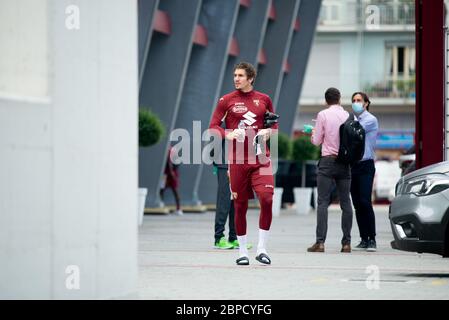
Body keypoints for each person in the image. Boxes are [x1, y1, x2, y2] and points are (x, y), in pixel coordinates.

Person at [209, 62, 277, 265]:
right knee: (240, 206)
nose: (236, 78)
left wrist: (268, 132)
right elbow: (213, 126)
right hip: (237, 161)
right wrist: (228, 133)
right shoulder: (226, 101)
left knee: (266, 199)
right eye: (235, 75)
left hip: (261, 159)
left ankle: (262, 249)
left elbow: (274, 124)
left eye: (240, 75)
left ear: (250, 78)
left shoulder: (264, 99)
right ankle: (242, 252)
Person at [307, 87, 353, 253]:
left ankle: (320, 243)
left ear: (326, 101)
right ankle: (346, 243)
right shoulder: (348, 115)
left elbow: (317, 141)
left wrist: (313, 133)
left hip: (327, 162)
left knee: (322, 202)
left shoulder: (323, 115)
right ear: (340, 99)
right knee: (346, 202)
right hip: (345, 162)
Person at [350, 92, 379, 252]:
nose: (356, 103)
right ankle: (363, 238)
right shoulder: (352, 120)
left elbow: (354, 132)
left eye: (359, 100)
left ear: (366, 103)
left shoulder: (370, 120)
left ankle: (372, 239)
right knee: (357, 204)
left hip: (366, 164)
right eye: (354, 100)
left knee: (365, 201)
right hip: (353, 165)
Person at [160, 146, 183, 215]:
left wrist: (171, 172)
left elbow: (169, 162)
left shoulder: (169, 150)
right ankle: (178, 209)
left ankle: (162, 204)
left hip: (167, 174)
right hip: (170, 174)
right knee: (173, 191)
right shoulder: (173, 149)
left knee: (163, 190)